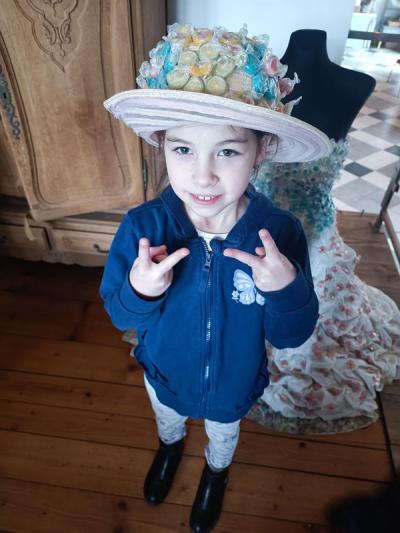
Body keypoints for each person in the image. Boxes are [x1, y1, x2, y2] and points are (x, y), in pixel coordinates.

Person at [100, 23, 330, 532]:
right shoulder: (144, 227)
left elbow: (290, 336)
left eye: (227, 151)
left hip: (232, 382)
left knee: (224, 434)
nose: (202, 176)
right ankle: (170, 448)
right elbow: (118, 312)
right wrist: (140, 290)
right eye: (183, 150)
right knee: (168, 419)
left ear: (261, 149)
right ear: (162, 144)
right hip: (164, 372)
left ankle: (216, 473)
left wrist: (284, 290)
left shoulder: (278, 234)